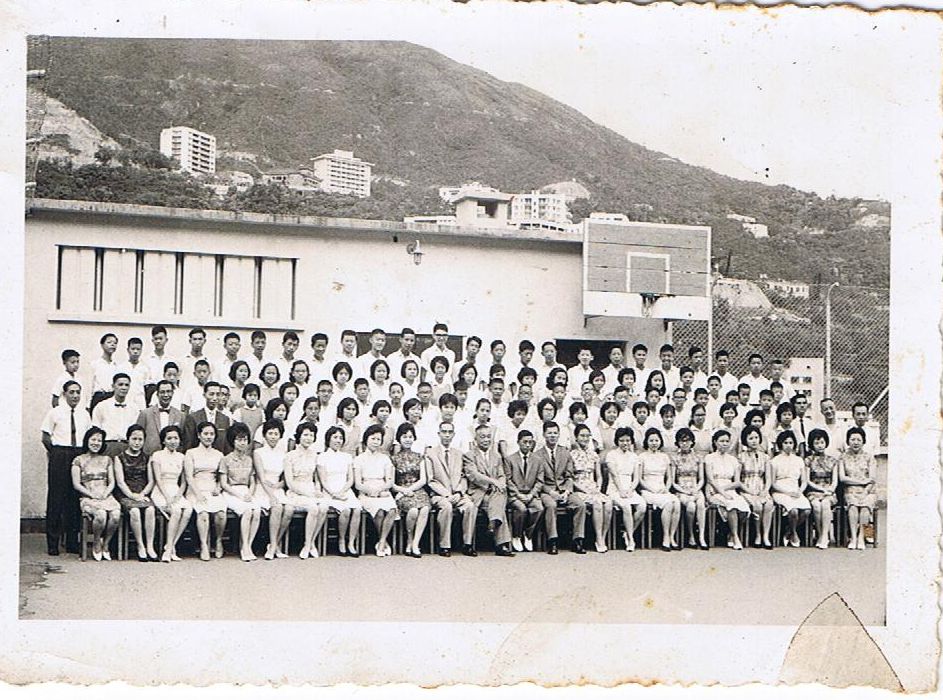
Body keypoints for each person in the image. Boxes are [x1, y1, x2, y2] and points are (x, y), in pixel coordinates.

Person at [40, 380, 91, 555]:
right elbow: (45, 437)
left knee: (75, 497)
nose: (75, 396)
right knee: (56, 498)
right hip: (60, 453)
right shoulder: (55, 412)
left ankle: (72, 542)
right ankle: (53, 543)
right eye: (71, 392)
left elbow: (88, 437)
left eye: (78, 392)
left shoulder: (85, 414)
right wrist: (56, 453)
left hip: (78, 453)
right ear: (64, 394)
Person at [533, 421, 587, 555]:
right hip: (547, 491)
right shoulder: (537, 455)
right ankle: (553, 541)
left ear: (559, 435)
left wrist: (567, 491)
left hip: (564, 489)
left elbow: (569, 475)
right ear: (544, 435)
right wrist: (551, 492)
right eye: (549, 433)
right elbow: (538, 480)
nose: (552, 436)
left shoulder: (565, 452)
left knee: (580, 504)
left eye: (555, 433)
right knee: (551, 505)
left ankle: (577, 540)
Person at [70, 426, 121, 560]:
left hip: (105, 495)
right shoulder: (78, 460)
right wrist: (91, 495)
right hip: (88, 497)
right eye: (93, 439)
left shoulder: (107, 460)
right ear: (87, 440)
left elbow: (112, 482)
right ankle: (97, 541)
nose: (96, 443)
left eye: (99, 440)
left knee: (116, 515)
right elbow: (76, 484)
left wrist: (106, 493)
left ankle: (106, 543)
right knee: (101, 515)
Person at [463, 424, 515, 557]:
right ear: (475, 439)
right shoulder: (469, 455)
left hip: (494, 492)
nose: (486, 440)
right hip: (479, 492)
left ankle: (493, 523)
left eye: (488, 437)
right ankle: (501, 543)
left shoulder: (496, 456)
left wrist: (501, 483)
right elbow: (474, 476)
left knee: (499, 495)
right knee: (498, 504)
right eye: (482, 437)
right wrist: (493, 482)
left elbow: (501, 474)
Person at [426, 422, 476, 556]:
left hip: (457, 494)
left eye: (449, 432)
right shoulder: (430, 453)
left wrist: (459, 492)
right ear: (439, 434)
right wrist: (447, 495)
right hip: (439, 495)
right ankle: (444, 545)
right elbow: (431, 480)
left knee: (470, 506)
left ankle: (467, 544)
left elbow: (464, 477)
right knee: (446, 507)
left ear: (453, 435)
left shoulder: (459, 454)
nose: (447, 435)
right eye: (444, 432)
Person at [283, 422, 330, 559]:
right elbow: (290, 482)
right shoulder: (290, 456)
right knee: (313, 508)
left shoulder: (314, 455)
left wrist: (317, 489)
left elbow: (316, 478)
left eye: (311, 435)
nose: (308, 438)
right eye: (305, 435)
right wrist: (306, 493)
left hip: (311, 488)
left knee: (324, 507)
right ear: (299, 436)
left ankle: (310, 543)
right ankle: (308, 544)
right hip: (296, 491)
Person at [219, 423, 265, 562]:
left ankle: (248, 545)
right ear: (233, 441)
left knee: (257, 511)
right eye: (239, 440)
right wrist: (239, 495)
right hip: (231, 492)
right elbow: (224, 484)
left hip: (246, 491)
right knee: (247, 511)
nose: (242, 443)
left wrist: (250, 493)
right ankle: (244, 546)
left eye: (245, 440)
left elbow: (252, 481)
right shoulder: (225, 459)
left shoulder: (249, 460)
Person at [148, 425, 193, 562]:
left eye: (176, 438)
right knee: (176, 510)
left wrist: (178, 495)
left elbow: (184, 481)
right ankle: (168, 551)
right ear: (163, 441)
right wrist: (167, 497)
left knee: (188, 509)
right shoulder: (157, 455)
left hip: (175, 490)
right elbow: (158, 479)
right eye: (169, 438)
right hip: (160, 491)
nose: (173, 441)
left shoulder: (182, 457)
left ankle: (171, 545)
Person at [316, 426, 363, 556]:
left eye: (341, 438)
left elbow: (350, 479)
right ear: (328, 439)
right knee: (345, 510)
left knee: (357, 509)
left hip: (345, 489)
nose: (338, 440)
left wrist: (343, 491)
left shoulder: (347, 457)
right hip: (329, 491)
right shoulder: (322, 457)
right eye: (335, 437)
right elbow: (323, 480)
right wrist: (334, 494)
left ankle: (351, 543)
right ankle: (341, 540)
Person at [113, 424, 158, 561]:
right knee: (135, 511)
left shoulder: (147, 458)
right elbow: (120, 482)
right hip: (126, 493)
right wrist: (132, 496)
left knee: (150, 510)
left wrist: (143, 494)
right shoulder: (119, 458)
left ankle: (150, 546)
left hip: (143, 493)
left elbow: (151, 481)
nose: (137, 442)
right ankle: (140, 546)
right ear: (128, 439)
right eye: (134, 439)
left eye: (140, 439)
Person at [184, 421, 227, 560]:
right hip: (195, 489)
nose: (209, 437)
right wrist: (198, 494)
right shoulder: (191, 453)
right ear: (199, 435)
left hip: (212, 489)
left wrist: (218, 487)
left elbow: (221, 476)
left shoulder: (219, 454)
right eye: (206, 433)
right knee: (203, 513)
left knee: (221, 514)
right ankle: (204, 545)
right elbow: (189, 477)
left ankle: (218, 541)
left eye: (212, 434)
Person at [354, 424, 399, 557]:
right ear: (366, 439)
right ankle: (383, 542)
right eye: (373, 438)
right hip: (366, 492)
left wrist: (380, 490)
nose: (375, 442)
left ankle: (382, 542)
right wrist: (370, 491)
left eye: (378, 439)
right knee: (379, 512)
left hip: (383, 490)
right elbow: (358, 484)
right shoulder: (359, 459)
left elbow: (389, 481)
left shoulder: (385, 458)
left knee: (391, 510)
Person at [253, 418, 293, 560]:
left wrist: (279, 485)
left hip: (277, 488)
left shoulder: (284, 454)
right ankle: (274, 546)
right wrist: (272, 495)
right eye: (270, 433)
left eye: (276, 434)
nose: (273, 437)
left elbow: (285, 478)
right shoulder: (258, 453)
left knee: (289, 509)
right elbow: (261, 477)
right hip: (263, 489)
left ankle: (273, 544)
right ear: (264, 435)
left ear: (280, 436)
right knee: (277, 507)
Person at [390, 423, 432, 557]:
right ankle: (409, 539)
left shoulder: (419, 457)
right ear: (399, 439)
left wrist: (410, 489)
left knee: (424, 508)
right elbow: (391, 483)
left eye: (410, 437)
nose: (407, 439)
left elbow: (423, 480)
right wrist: (404, 491)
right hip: (401, 491)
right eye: (404, 437)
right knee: (413, 511)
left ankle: (415, 543)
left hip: (418, 490)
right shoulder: (393, 459)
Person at [704, 430, 750, 550]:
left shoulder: (733, 460)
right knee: (731, 506)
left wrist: (725, 490)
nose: (724, 444)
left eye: (727, 441)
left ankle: (730, 533)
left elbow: (737, 482)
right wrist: (722, 492)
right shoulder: (709, 458)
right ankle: (735, 536)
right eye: (721, 441)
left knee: (744, 507)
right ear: (715, 442)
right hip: (713, 490)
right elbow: (710, 479)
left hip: (730, 489)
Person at [570, 423, 612, 552]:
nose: (585, 438)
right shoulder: (571, 455)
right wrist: (584, 490)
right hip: (579, 488)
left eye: (587, 436)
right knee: (597, 503)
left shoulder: (594, 455)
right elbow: (570, 478)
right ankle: (598, 538)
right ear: (576, 437)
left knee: (608, 504)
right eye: (582, 436)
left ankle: (603, 536)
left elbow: (598, 476)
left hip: (593, 487)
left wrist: (598, 487)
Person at [637, 428, 681, 551]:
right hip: (648, 490)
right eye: (651, 440)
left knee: (676, 503)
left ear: (660, 441)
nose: (654, 443)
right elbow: (640, 479)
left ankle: (672, 537)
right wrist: (651, 489)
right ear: (646, 441)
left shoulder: (664, 457)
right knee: (668, 504)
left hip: (662, 489)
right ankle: (665, 537)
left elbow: (669, 478)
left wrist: (666, 488)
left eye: (656, 440)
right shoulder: (642, 457)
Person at [503, 429, 544, 553]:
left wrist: (531, 494)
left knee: (538, 508)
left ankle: (528, 534)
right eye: (524, 442)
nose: (527, 445)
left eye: (530, 442)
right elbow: (508, 479)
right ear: (518, 442)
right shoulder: (510, 459)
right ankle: (517, 535)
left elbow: (540, 481)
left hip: (531, 494)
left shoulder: (538, 460)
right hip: (515, 495)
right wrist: (518, 494)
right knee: (521, 509)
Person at [770, 431, 811, 547]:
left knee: (807, 510)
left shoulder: (799, 460)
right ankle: (793, 533)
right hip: (780, 490)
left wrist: (800, 491)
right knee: (793, 511)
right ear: (780, 444)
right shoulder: (774, 461)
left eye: (791, 443)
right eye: (785, 443)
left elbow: (804, 481)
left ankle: (788, 531)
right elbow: (773, 483)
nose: (788, 445)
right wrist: (787, 492)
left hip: (795, 489)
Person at [839, 426, 877, 550]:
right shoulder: (843, 457)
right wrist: (861, 482)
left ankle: (862, 537)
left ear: (863, 441)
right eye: (853, 439)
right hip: (850, 489)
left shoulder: (869, 457)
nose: (855, 442)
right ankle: (853, 538)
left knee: (865, 506)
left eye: (859, 440)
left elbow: (872, 479)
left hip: (868, 490)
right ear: (848, 441)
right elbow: (842, 478)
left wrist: (865, 491)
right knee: (853, 506)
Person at [669, 428, 708, 549]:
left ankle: (701, 536)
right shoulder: (674, 458)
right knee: (691, 507)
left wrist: (696, 489)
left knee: (700, 504)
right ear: (678, 443)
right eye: (682, 441)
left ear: (692, 442)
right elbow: (673, 482)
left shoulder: (698, 457)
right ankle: (691, 535)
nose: (685, 443)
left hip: (695, 488)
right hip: (681, 489)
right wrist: (684, 491)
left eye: (687, 440)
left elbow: (701, 479)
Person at [738, 425, 774, 548]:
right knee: (757, 506)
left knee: (768, 504)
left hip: (761, 487)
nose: (754, 441)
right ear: (745, 440)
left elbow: (768, 478)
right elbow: (738, 479)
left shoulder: (765, 457)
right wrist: (748, 491)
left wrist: (765, 490)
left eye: (756, 438)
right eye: (751, 438)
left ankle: (766, 536)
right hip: (746, 488)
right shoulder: (740, 457)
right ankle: (758, 534)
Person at [804, 428, 839, 549]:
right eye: (817, 443)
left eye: (822, 442)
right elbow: (807, 480)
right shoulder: (808, 460)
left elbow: (835, 481)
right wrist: (821, 490)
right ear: (812, 444)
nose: (820, 445)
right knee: (816, 506)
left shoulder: (833, 460)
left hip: (828, 492)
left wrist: (830, 490)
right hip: (814, 491)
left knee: (825, 504)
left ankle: (824, 536)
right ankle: (820, 534)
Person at [92, 373, 138, 456]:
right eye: (120, 384)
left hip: (127, 447)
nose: (123, 388)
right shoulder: (102, 406)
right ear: (113, 386)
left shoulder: (134, 408)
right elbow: (96, 428)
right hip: (108, 446)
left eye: (126, 385)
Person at [136, 379, 185, 457]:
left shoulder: (180, 415)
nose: (166, 395)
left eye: (168, 391)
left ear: (173, 393)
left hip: (172, 457)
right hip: (149, 456)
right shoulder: (145, 413)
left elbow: (182, 439)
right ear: (157, 394)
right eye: (162, 392)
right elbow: (138, 436)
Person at [181, 381, 231, 453]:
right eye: (211, 394)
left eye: (217, 394)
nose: (215, 398)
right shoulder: (193, 418)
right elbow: (188, 444)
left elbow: (226, 445)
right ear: (204, 395)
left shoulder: (225, 419)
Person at [120, 337, 152, 411]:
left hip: (140, 404)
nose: (135, 351)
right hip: (125, 403)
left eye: (138, 349)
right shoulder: (121, 367)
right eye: (133, 349)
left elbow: (147, 389)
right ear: (128, 350)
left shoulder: (145, 368)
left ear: (141, 350)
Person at [89, 333, 119, 411]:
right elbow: (89, 385)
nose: (112, 344)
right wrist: (88, 404)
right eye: (109, 342)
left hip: (112, 397)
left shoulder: (116, 366)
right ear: (102, 345)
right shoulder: (95, 364)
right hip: (99, 397)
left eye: (115, 343)